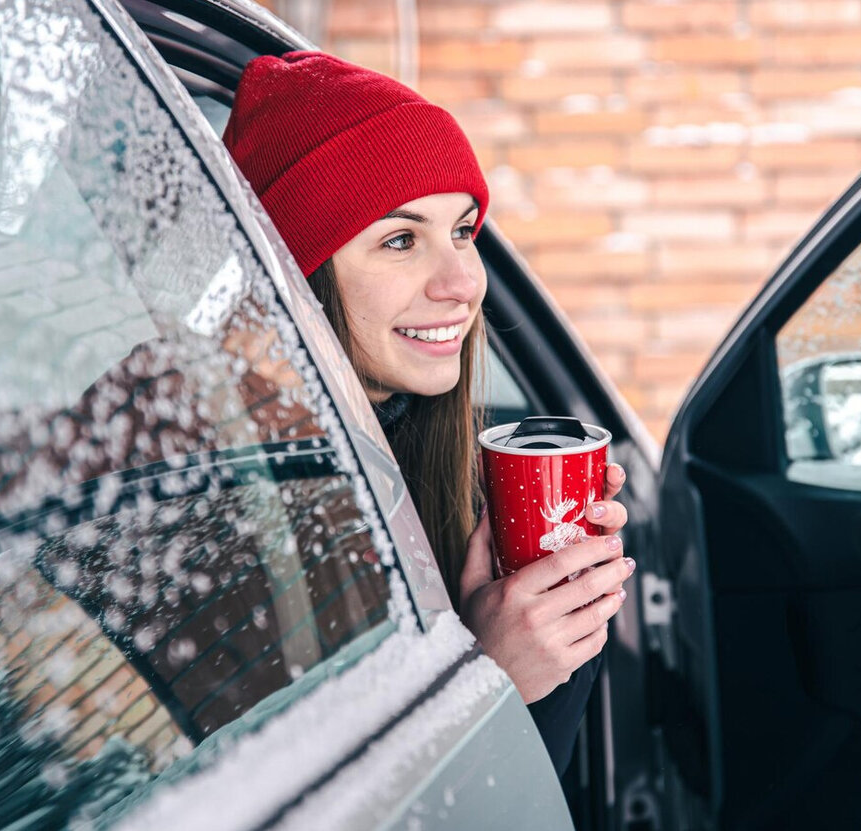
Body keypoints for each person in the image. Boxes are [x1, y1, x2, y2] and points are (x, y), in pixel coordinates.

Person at [222, 51, 636, 777]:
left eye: (463, 231)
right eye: (400, 239)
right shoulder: (228, 505)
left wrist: (549, 612)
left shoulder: (411, 450)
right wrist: (483, 685)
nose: (462, 282)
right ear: (294, 269)